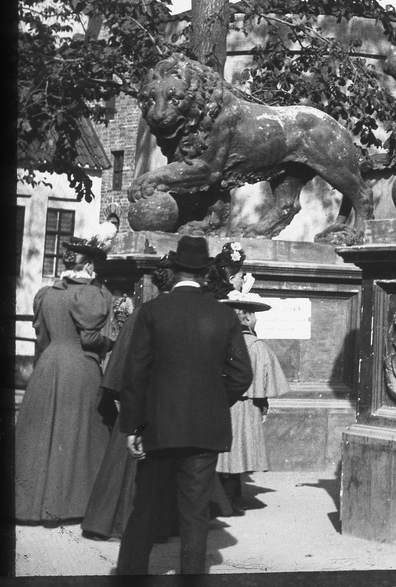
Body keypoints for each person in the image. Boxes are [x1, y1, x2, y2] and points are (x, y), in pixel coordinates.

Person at [114, 235, 252, 577]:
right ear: (206, 273)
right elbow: (241, 374)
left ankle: (131, 575)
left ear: (173, 271)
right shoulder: (224, 316)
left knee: (145, 506)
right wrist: (215, 403)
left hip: (158, 427)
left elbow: (135, 375)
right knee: (195, 512)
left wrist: (134, 427)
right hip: (206, 430)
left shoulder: (152, 311)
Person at [82, 257, 232, 541]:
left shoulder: (145, 313)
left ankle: (119, 521)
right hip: (171, 410)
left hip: (142, 407)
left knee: (132, 464)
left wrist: (121, 396)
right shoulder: (180, 314)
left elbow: (122, 364)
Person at [13, 232, 114, 523]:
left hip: (48, 364)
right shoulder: (89, 294)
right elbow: (91, 337)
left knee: (42, 434)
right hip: (79, 367)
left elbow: (42, 336)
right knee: (76, 434)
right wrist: (110, 345)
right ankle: (69, 504)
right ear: (90, 267)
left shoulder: (47, 294)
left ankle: (33, 505)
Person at [215, 279, 289, 513]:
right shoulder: (257, 347)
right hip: (246, 407)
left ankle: (231, 499)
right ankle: (228, 502)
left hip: (226, 403)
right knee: (237, 455)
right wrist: (263, 405)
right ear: (246, 317)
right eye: (253, 315)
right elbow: (265, 382)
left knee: (228, 456)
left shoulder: (222, 344)